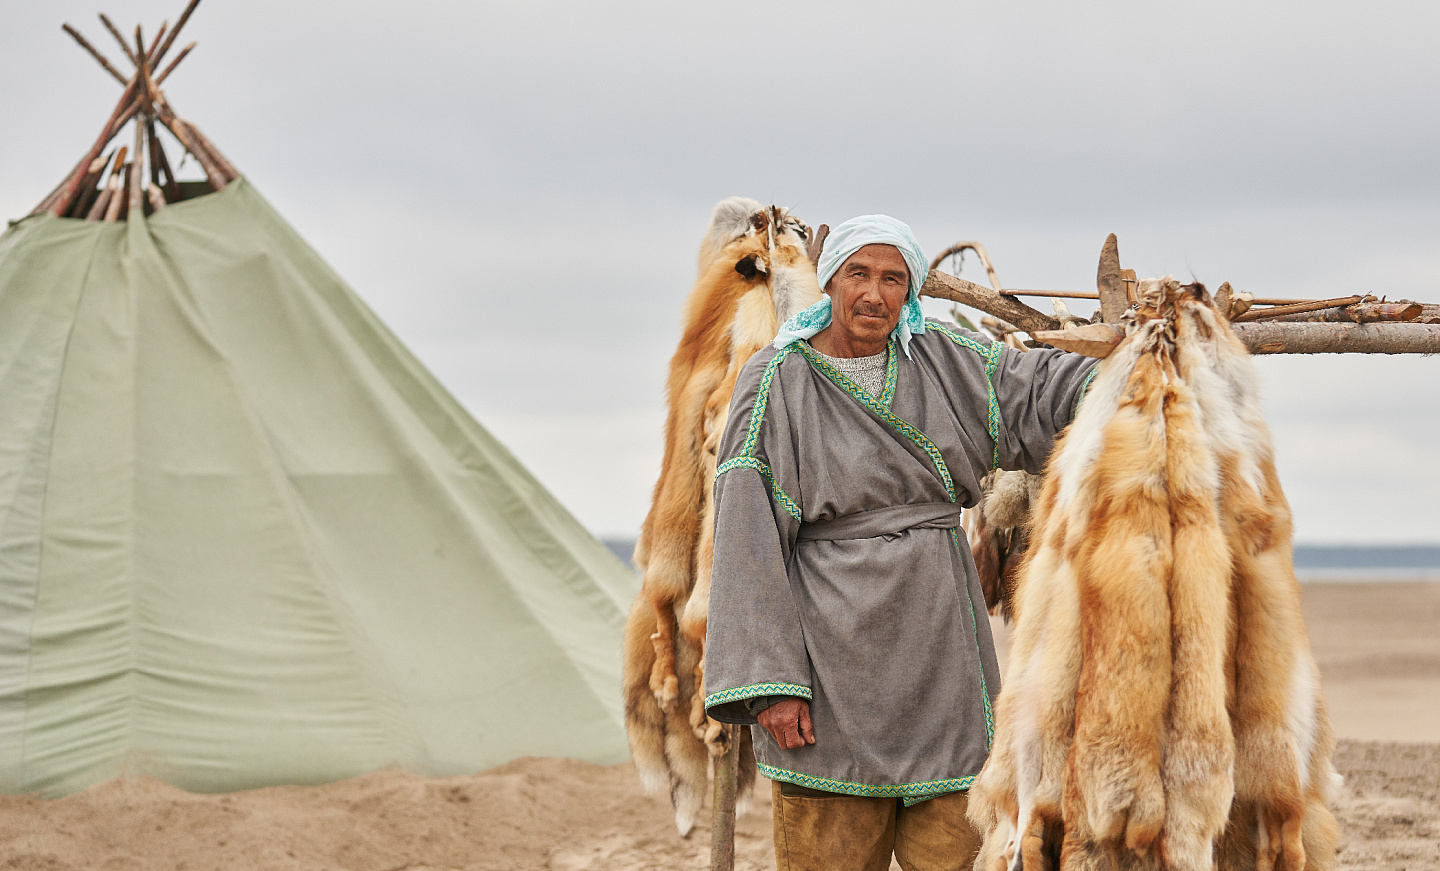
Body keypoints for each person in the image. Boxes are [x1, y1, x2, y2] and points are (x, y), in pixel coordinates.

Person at [703, 215, 1097, 871]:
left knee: (960, 851)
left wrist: (1121, 375)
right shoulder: (777, 378)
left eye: (893, 279)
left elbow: (1033, 388)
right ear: (830, 281)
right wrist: (772, 683)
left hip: (942, 656)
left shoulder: (944, 360)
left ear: (909, 290)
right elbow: (747, 531)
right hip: (832, 668)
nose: (874, 293)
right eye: (859, 274)